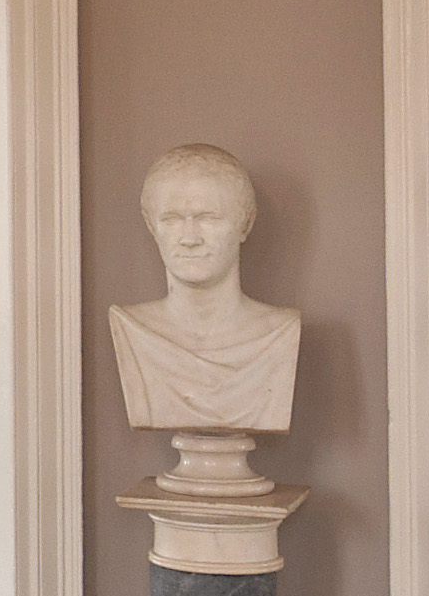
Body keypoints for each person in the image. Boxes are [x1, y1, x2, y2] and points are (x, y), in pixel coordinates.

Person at [105, 141, 299, 434]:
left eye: (208, 218)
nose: (190, 238)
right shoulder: (132, 328)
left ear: (245, 223)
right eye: (171, 219)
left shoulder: (279, 333)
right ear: (151, 226)